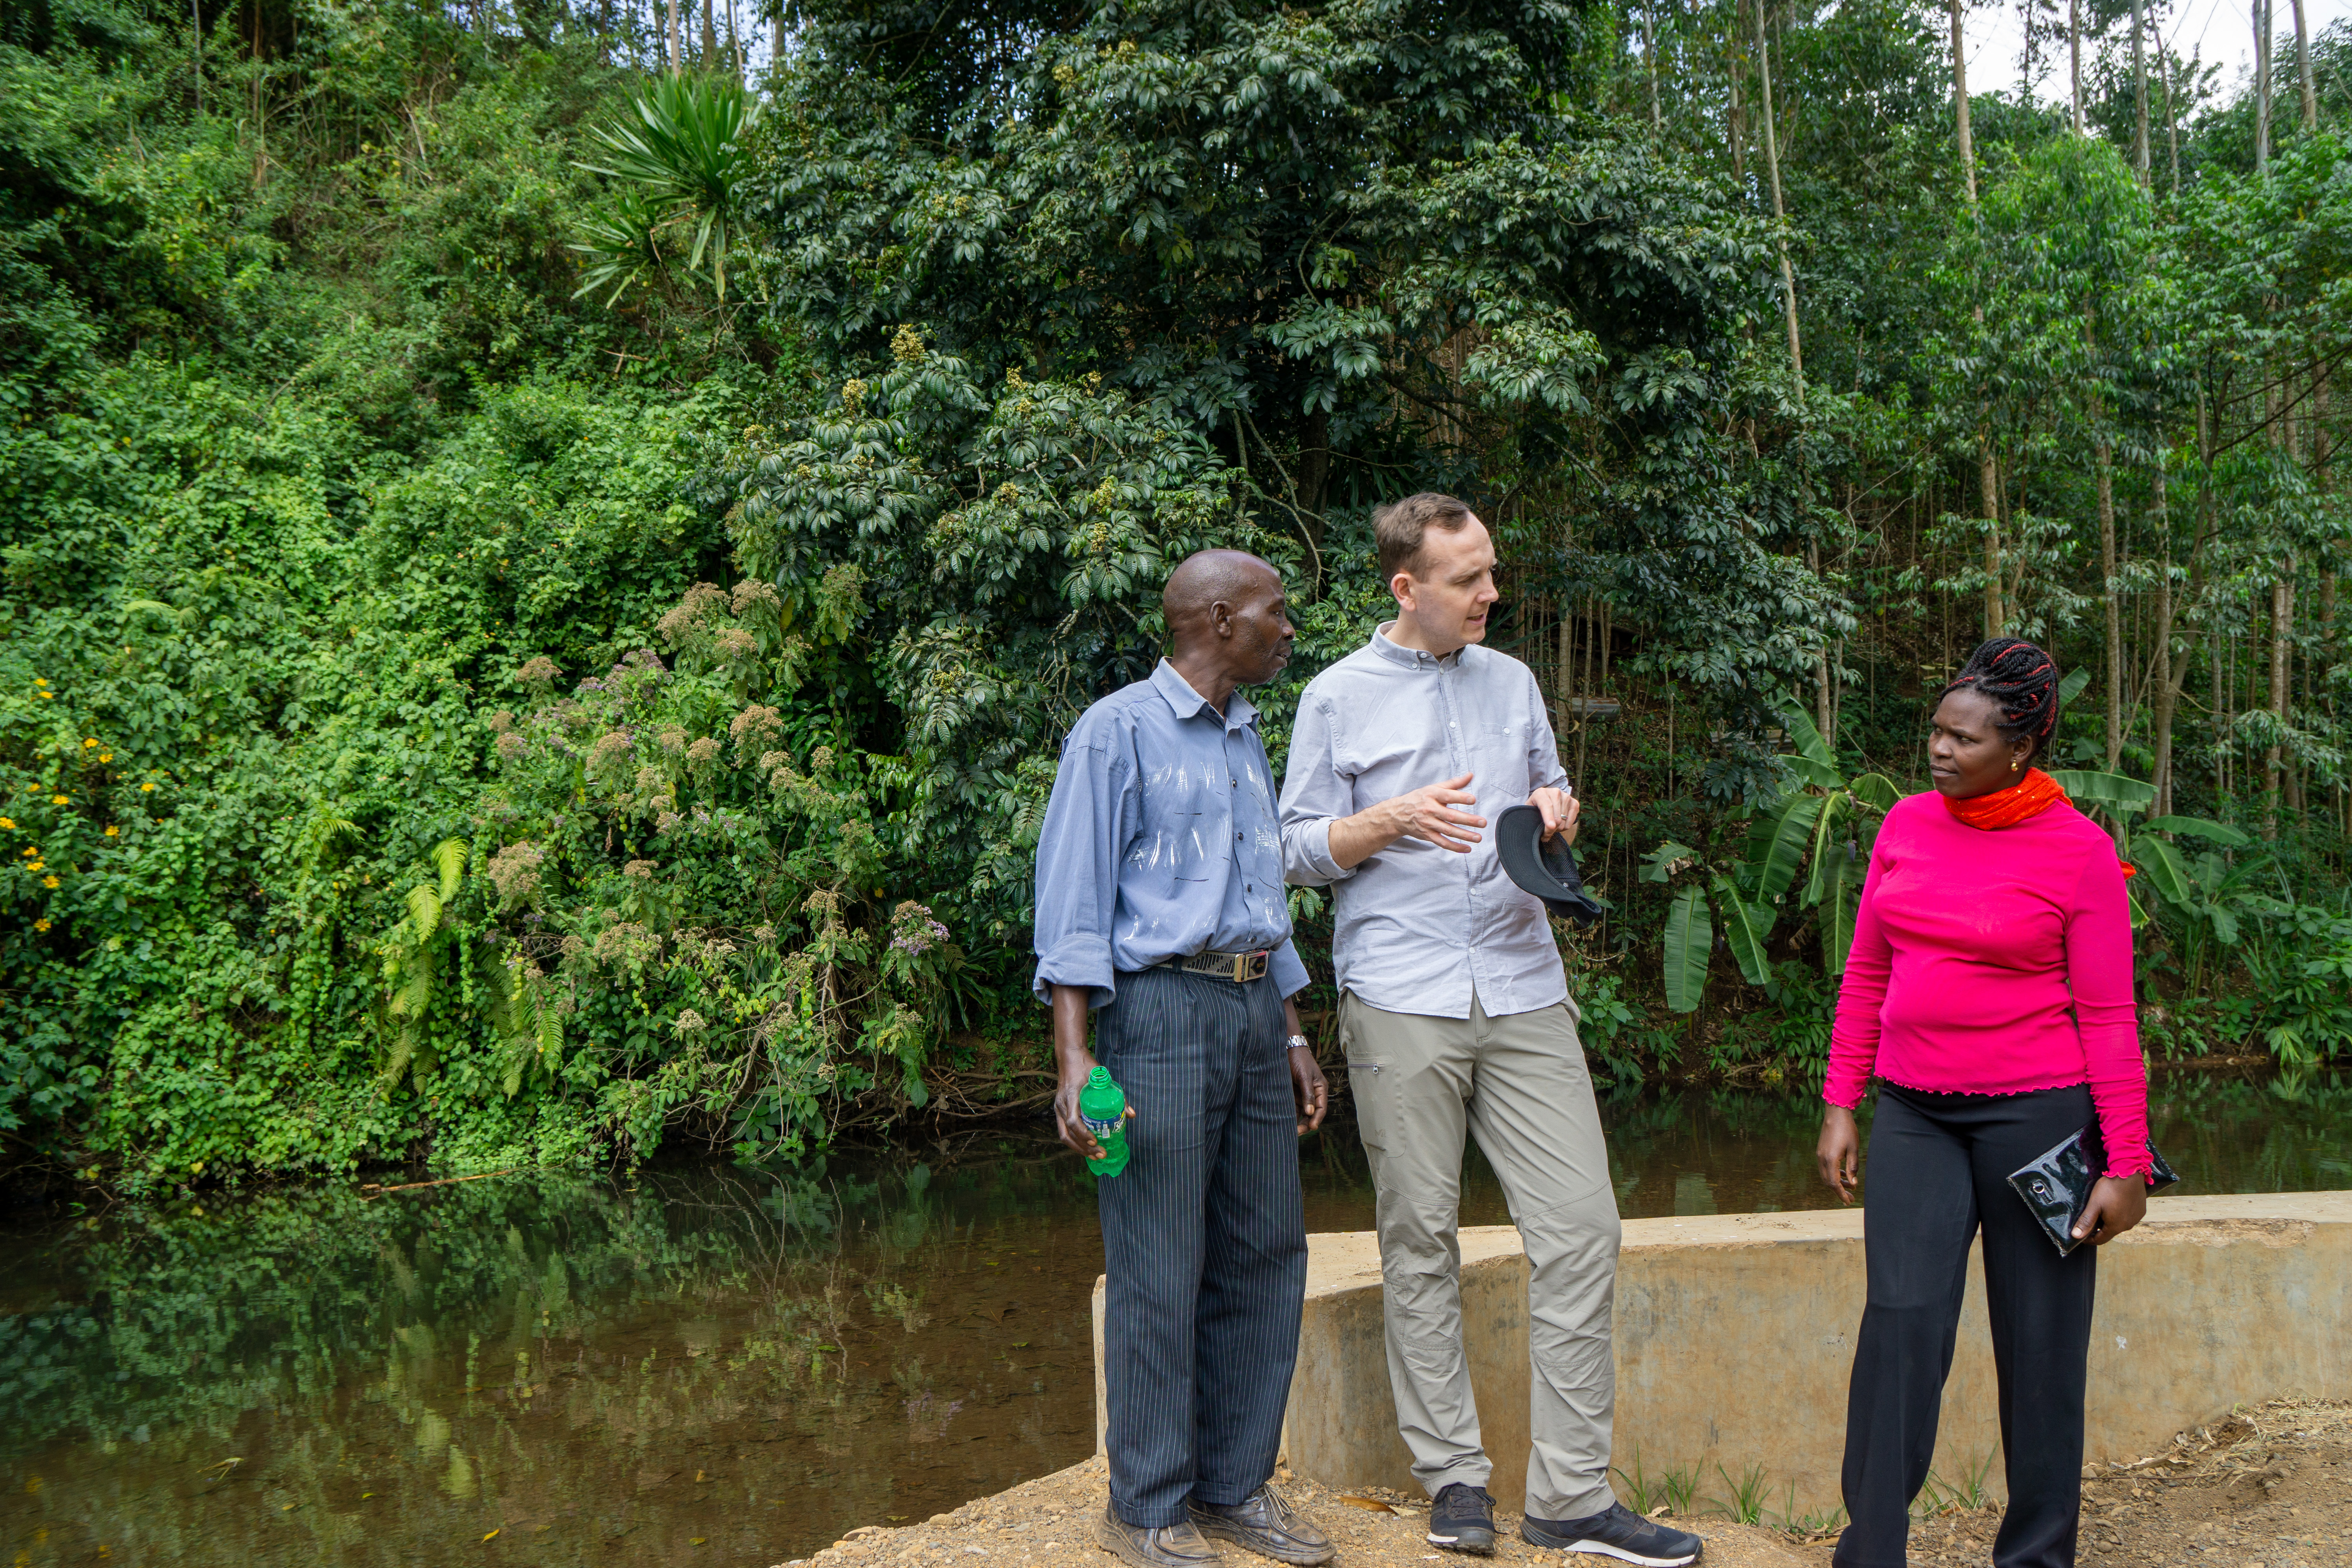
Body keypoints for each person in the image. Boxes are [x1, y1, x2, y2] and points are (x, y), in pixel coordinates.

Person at [1278, 493, 1704, 1567]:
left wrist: (1559, 811)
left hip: (1522, 983)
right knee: (1419, 1237)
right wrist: (1391, 820)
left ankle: (1569, 1499)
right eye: (1468, 580)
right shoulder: (1335, 697)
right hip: (1400, 992)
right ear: (1406, 588)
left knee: (1581, 1230)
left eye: (1493, 573)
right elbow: (1288, 847)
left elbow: (1551, 785)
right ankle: (1456, 1482)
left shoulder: (1512, 679)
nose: (1491, 594)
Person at [1817, 636, 2154, 1568]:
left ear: (2019, 750)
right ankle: (1873, 1549)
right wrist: (1843, 1099)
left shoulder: (2080, 852)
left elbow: (2112, 1017)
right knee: (1901, 1327)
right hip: (1916, 1112)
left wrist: (2126, 1162)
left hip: (2038, 1121)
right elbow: (1867, 970)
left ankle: (2038, 1556)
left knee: (2043, 1351)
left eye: (1963, 739)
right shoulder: (1906, 825)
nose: (1940, 749)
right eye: (1936, 731)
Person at [1033, 549, 1336, 1568]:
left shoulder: (1248, 738)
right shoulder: (1115, 732)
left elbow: (1261, 892)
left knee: (1265, 1253)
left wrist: (1293, 1028)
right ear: (1217, 619)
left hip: (1254, 1013)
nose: (1286, 629)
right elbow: (1073, 908)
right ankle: (1147, 1505)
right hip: (1156, 1017)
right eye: (1274, 613)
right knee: (1161, 1266)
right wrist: (1076, 1061)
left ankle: (1234, 1486)